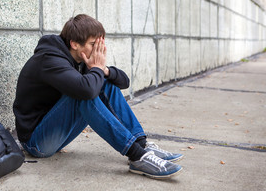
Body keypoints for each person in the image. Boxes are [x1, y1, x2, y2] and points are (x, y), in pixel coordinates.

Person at [13, 14, 183, 179]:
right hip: (37, 142)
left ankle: (142, 146)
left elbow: (124, 82)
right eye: (93, 43)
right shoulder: (50, 60)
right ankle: (137, 156)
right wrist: (97, 69)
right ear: (74, 44)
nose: (97, 49)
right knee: (85, 93)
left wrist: (103, 70)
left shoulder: (81, 60)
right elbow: (86, 91)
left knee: (101, 82)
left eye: (99, 43)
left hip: (56, 135)